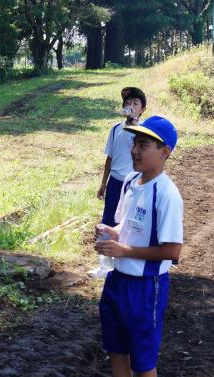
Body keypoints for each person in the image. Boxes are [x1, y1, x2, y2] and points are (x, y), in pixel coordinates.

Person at [84, 116, 183, 377]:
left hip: (146, 288)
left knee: (144, 356)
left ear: (164, 152)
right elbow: (123, 227)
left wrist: (123, 248)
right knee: (117, 349)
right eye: (134, 143)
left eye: (144, 145)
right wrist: (109, 232)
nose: (135, 150)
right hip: (117, 281)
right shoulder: (129, 182)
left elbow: (173, 251)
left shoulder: (167, 194)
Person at [90, 87, 147, 279]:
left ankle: (122, 265)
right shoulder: (115, 129)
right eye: (127, 103)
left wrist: (135, 125)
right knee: (107, 223)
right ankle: (105, 267)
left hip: (134, 184)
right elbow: (110, 157)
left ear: (142, 109)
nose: (130, 106)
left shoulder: (145, 131)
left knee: (128, 225)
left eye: (135, 103)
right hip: (115, 182)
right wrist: (103, 183)